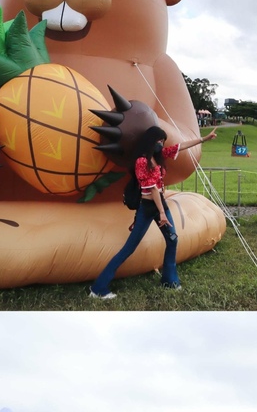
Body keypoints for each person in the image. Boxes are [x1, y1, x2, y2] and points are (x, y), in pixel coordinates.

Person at [89, 125, 215, 299]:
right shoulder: (141, 161)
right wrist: (162, 213)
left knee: (172, 240)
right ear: (150, 141)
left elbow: (181, 146)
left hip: (160, 205)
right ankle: (98, 288)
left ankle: (170, 281)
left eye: (163, 141)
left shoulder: (159, 156)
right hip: (148, 207)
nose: (161, 144)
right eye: (159, 141)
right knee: (129, 248)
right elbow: (152, 189)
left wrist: (204, 139)